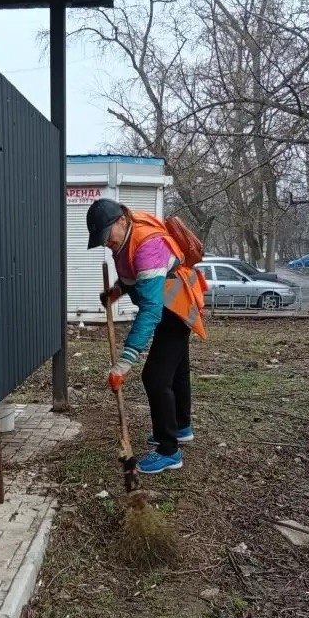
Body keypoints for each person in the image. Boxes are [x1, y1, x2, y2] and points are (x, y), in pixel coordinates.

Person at [86, 197, 207, 474]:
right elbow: (133, 277)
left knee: (155, 376)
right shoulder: (124, 239)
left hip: (176, 308)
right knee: (176, 369)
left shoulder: (148, 245)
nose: (106, 242)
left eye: (107, 235)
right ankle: (181, 427)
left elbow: (151, 309)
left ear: (121, 220)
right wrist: (116, 292)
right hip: (167, 302)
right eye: (101, 239)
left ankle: (168, 450)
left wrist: (124, 363)